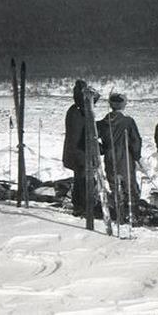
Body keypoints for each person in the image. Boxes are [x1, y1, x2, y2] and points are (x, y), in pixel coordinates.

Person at [96, 93, 143, 221]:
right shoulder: (128, 121)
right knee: (130, 187)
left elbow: (93, 139)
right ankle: (132, 215)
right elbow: (136, 141)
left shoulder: (102, 123)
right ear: (123, 105)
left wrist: (102, 149)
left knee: (115, 187)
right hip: (125, 159)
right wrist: (137, 156)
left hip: (110, 159)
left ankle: (119, 215)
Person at [62, 80, 99, 216]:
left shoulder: (74, 110)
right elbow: (85, 135)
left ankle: (79, 206)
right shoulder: (82, 112)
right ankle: (84, 207)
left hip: (75, 152)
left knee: (79, 180)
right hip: (81, 153)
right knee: (84, 181)